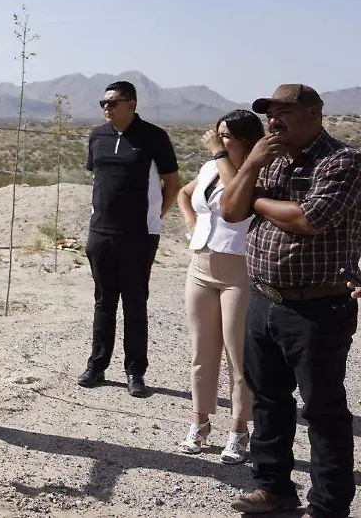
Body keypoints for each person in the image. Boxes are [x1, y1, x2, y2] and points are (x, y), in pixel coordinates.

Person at [221, 84, 361, 518]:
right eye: (270, 114)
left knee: (322, 411)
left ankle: (329, 506)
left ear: (315, 113)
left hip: (317, 307)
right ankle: (274, 488)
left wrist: (257, 201)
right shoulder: (271, 160)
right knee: (268, 399)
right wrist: (252, 165)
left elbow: (308, 219)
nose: (274, 120)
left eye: (285, 112)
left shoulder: (343, 162)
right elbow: (229, 210)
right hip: (264, 300)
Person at [78, 80, 180, 398]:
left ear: (131, 104)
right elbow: (98, 180)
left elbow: (172, 183)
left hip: (139, 235)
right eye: (103, 103)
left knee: (135, 304)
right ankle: (97, 366)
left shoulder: (153, 137)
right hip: (100, 233)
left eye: (112, 102)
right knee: (103, 302)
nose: (106, 107)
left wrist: (155, 217)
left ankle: (135, 372)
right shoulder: (98, 136)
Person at [175, 110, 264, 463]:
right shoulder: (211, 168)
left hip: (239, 271)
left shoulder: (255, 172)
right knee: (202, 351)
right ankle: (200, 422)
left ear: (245, 141)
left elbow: (236, 202)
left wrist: (219, 154)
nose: (218, 140)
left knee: (238, 356)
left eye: (226, 136)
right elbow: (184, 193)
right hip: (200, 265)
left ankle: (240, 430)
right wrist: (192, 224)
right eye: (218, 134)